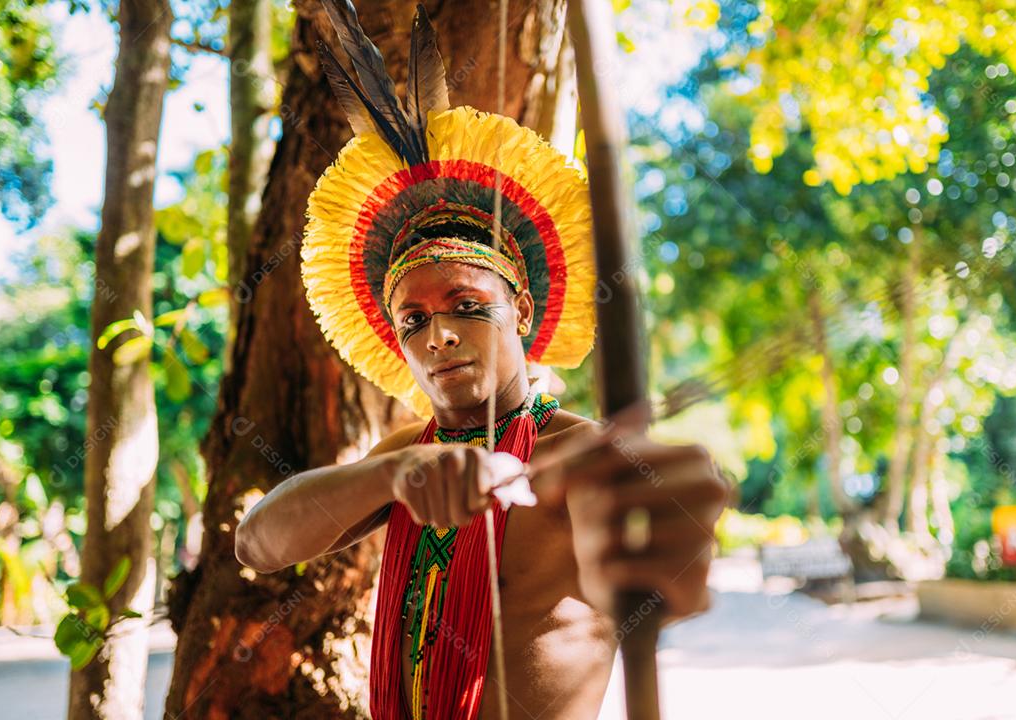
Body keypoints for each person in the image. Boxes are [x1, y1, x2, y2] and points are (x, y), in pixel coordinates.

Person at [235, 3, 729, 718]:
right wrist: (393, 473)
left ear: (521, 311)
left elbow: (666, 559)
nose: (438, 336)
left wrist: (673, 515)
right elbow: (258, 542)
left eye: (467, 304)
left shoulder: (581, 454)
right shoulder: (405, 455)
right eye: (414, 319)